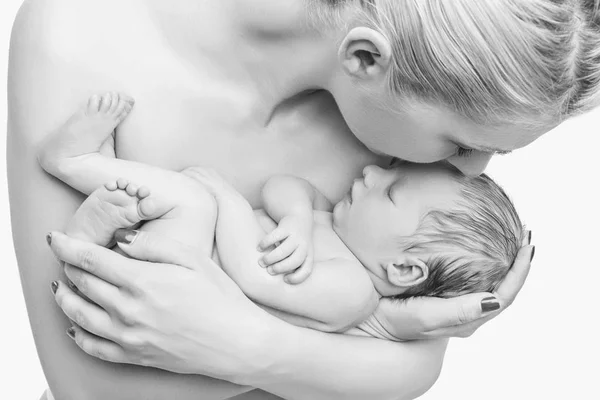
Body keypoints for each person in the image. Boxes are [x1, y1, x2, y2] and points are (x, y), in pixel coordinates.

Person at [8, 0, 598, 399]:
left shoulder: (390, 103)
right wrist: (371, 342)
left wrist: (251, 343)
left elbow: (418, 365)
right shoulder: (86, 34)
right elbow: (92, 388)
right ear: (365, 58)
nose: (465, 172)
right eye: (463, 142)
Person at [38, 95, 523, 335]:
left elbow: (252, 277)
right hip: (174, 255)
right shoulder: (332, 225)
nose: (373, 172)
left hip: (177, 282)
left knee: (193, 201)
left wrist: (226, 201)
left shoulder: (351, 294)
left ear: (404, 269)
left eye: (391, 192)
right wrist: (294, 218)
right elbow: (283, 188)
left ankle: (75, 164)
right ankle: (95, 226)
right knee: (178, 201)